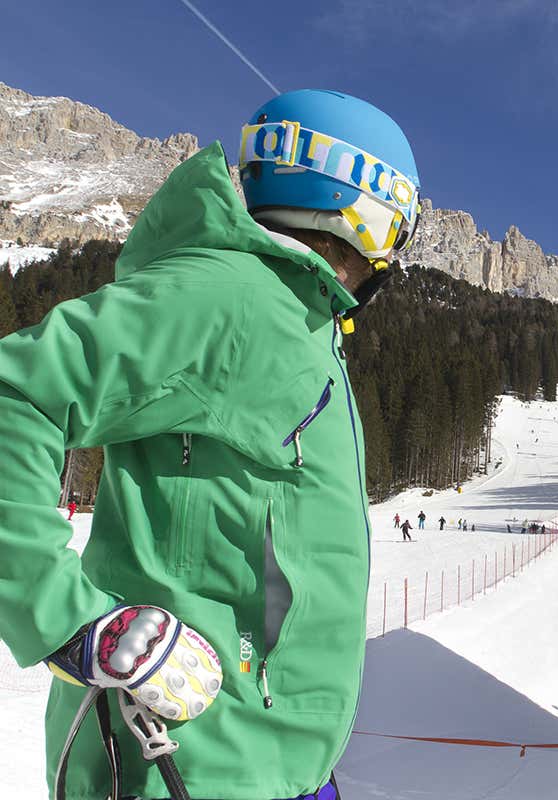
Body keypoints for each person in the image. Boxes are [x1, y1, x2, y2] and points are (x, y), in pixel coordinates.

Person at [0, 89, 421, 800]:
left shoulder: (301, 321)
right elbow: (15, 394)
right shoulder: (231, 299)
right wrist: (67, 618)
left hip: (270, 765)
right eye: (401, 228)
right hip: (181, 763)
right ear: (366, 208)